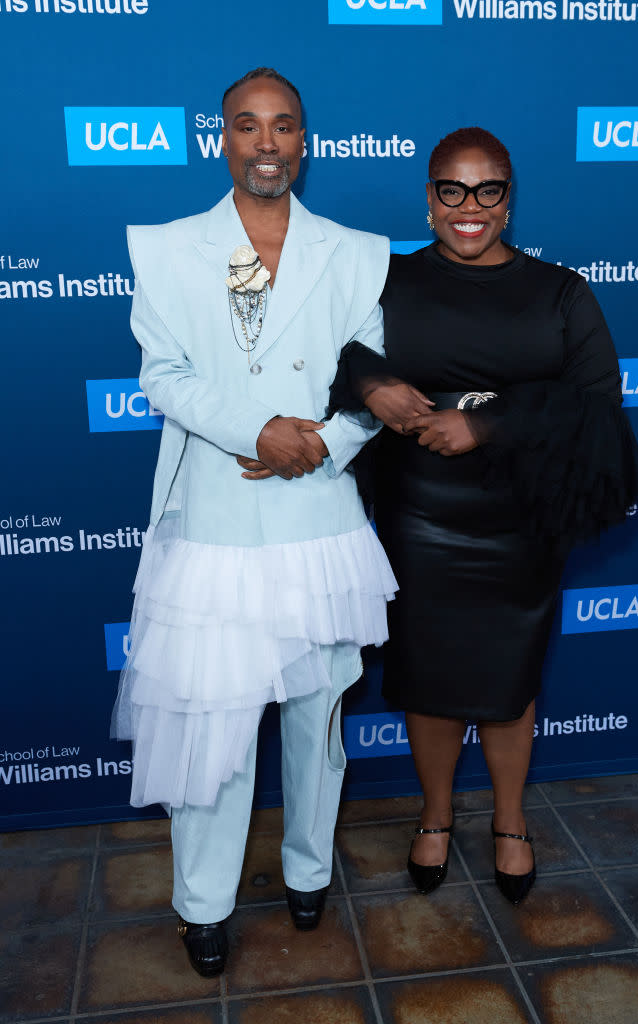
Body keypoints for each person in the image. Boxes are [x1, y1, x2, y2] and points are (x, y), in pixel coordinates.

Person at [111, 67, 397, 977]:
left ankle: (309, 871)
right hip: (220, 515)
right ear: (222, 139)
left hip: (317, 512)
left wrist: (324, 443)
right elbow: (164, 374)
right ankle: (203, 903)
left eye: (283, 127)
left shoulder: (355, 252)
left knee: (317, 721)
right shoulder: (168, 248)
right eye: (247, 125)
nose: (266, 142)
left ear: (303, 141)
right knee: (215, 725)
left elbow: (373, 372)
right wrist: (259, 432)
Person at [328, 127, 638, 904]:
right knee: (429, 675)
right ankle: (433, 817)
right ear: (429, 198)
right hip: (418, 513)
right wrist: (371, 383)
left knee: (509, 677)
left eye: (487, 190)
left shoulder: (560, 292)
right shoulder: (385, 280)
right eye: (451, 190)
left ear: (507, 200)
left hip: (521, 518)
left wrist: (487, 422)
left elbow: (598, 406)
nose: (469, 207)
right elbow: (322, 348)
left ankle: (509, 821)